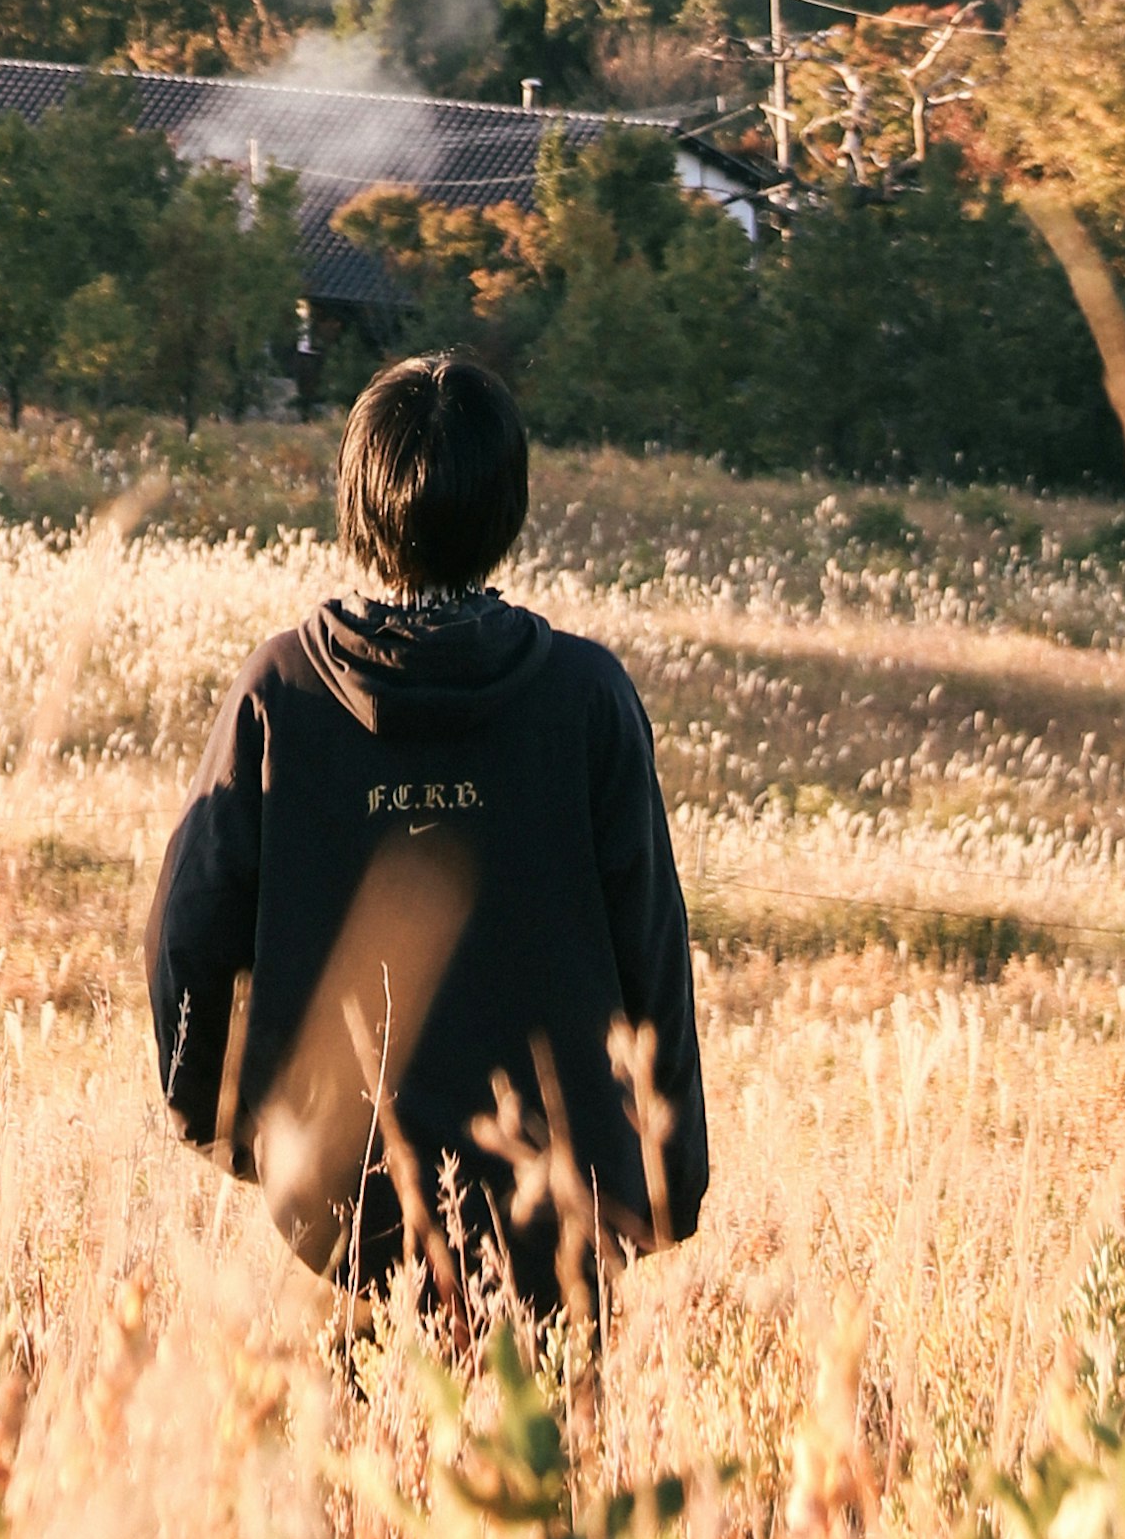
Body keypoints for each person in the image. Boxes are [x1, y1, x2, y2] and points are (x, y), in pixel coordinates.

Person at [145, 348, 706, 1324]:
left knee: (358, 1468)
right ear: (509, 510)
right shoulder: (585, 699)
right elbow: (651, 947)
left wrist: (225, 1124)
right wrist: (665, 1175)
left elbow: (188, 932)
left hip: (339, 1204)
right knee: (543, 1471)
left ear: (357, 506)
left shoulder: (282, 691)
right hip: (560, 1211)